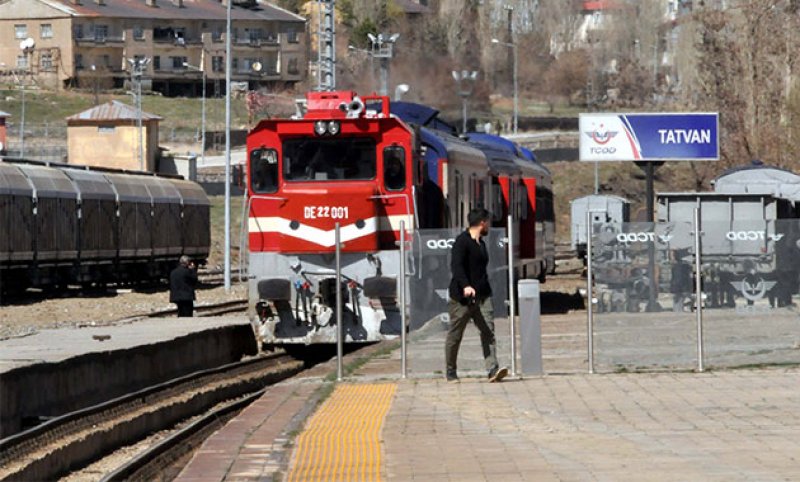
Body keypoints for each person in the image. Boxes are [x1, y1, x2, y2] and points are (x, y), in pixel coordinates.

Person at [445, 207, 509, 383]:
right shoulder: (462, 242)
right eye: (488, 222)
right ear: (482, 223)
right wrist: (466, 285)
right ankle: (451, 370)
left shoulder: (481, 243)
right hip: (462, 298)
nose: (489, 226)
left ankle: (492, 369)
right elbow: (456, 267)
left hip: (482, 296)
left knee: (488, 332)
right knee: (455, 334)